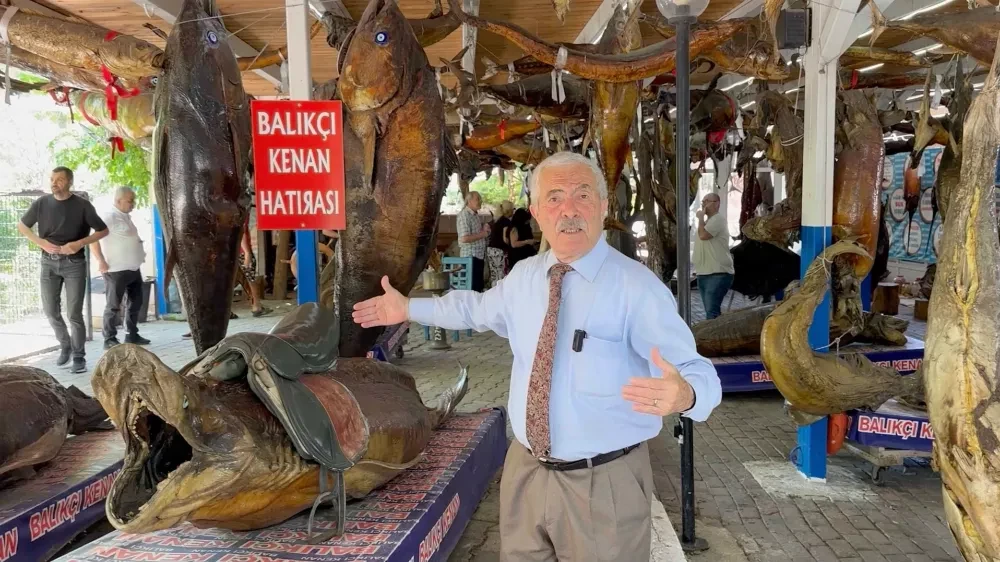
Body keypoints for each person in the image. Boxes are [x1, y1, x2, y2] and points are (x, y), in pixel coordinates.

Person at [352, 151, 722, 561]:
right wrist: (408, 308)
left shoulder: (637, 288)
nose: (569, 210)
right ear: (536, 212)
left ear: (603, 207)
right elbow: (474, 309)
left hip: (603, 483)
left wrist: (686, 395)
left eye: (583, 196)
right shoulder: (526, 277)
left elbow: (697, 371)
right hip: (526, 470)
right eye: (555, 197)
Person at [18, 167, 109, 374]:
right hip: (47, 263)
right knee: (51, 311)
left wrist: (79, 243)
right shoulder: (41, 203)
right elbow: (22, 226)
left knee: (74, 314)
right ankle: (65, 344)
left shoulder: (83, 205)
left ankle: (79, 357)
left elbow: (103, 230)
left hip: (74, 264)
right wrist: (40, 242)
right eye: (52, 179)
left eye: (59, 179)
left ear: (69, 182)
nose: (54, 183)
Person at [90, 187, 150, 349]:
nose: (134, 204)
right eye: (130, 200)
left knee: (136, 302)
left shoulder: (126, 217)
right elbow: (93, 240)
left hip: (133, 268)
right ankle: (109, 338)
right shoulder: (108, 217)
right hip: (115, 270)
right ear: (118, 201)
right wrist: (100, 260)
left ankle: (132, 335)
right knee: (113, 305)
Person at [694, 192, 735, 320]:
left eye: (707, 201)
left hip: (717, 273)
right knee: (710, 311)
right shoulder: (708, 222)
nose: (703, 204)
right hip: (704, 272)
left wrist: (700, 218)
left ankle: (714, 338)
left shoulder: (718, 219)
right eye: (703, 201)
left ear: (716, 204)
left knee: (712, 312)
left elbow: (703, 236)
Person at [456, 190, 490, 291]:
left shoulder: (475, 215)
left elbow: (476, 233)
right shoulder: (464, 215)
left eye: (480, 199)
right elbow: (464, 238)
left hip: (478, 256)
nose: (480, 201)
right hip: (470, 257)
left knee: (478, 288)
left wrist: (484, 228)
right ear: (469, 201)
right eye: (477, 199)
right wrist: (483, 234)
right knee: (472, 289)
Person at [487, 200, 514, 288]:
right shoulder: (506, 221)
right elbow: (505, 239)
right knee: (501, 273)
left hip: (491, 249)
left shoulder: (497, 220)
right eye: (513, 209)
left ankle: (493, 291)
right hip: (499, 250)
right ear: (508, 210)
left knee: (494, 274)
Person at [506, 207, 538, 271]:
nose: (527, 222)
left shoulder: (526, 226)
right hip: (518, 257)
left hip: (527, 255)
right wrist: (527, 242)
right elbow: (514, 244)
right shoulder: (514, 228)